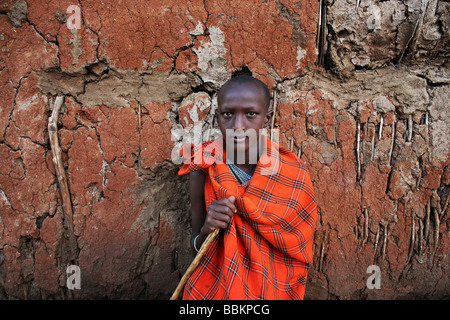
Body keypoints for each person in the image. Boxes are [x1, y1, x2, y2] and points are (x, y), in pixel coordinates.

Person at [178, 75, 317, 299]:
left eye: (250, 114)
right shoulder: (204, 167)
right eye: (228, 114)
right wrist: (207, 228)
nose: (238, 126)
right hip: (220, 288)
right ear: (217, 118)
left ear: (267, 119)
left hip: (273, 290)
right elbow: (196, 247)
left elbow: (298, 250)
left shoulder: (292, 172)